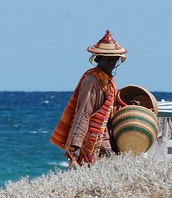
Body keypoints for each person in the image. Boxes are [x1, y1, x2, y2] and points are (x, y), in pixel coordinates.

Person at [50, 30, 127, 166]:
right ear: (98, 59)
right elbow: (84, 112)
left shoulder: (108, 81)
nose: (112, 62)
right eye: (107, 58)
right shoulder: (92, 81)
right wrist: (76, 145)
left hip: (105, 140)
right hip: (91, 142)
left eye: (114, 58)